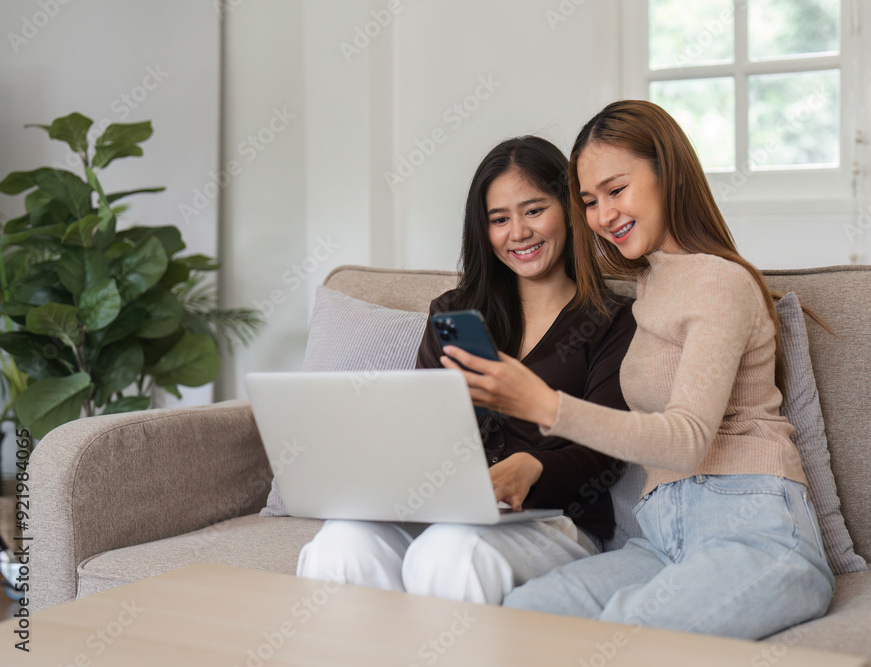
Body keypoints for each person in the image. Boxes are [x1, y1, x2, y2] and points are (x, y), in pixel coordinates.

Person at [439, 101, 835, 639]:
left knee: (628, 633)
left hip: (754, 529)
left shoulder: (719, 282)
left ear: (666, 174)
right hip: (660, 537)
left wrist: (544, 406)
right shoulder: (647, 284)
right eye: (589, 201)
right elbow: (544, 255)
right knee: (522, 617)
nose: (603, 215)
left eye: (616, 190)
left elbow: (689, 440)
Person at [296, 136, 637, 605]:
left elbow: (610, 446)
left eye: (534, 210)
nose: (518, 232)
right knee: (340, 544)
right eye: (499, 219)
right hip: (445, 508)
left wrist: (530, 465)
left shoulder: (612, 320)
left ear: (569, 210)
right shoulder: (455, 312)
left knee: (449, 552)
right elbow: (419, 425)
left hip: (553, 520)